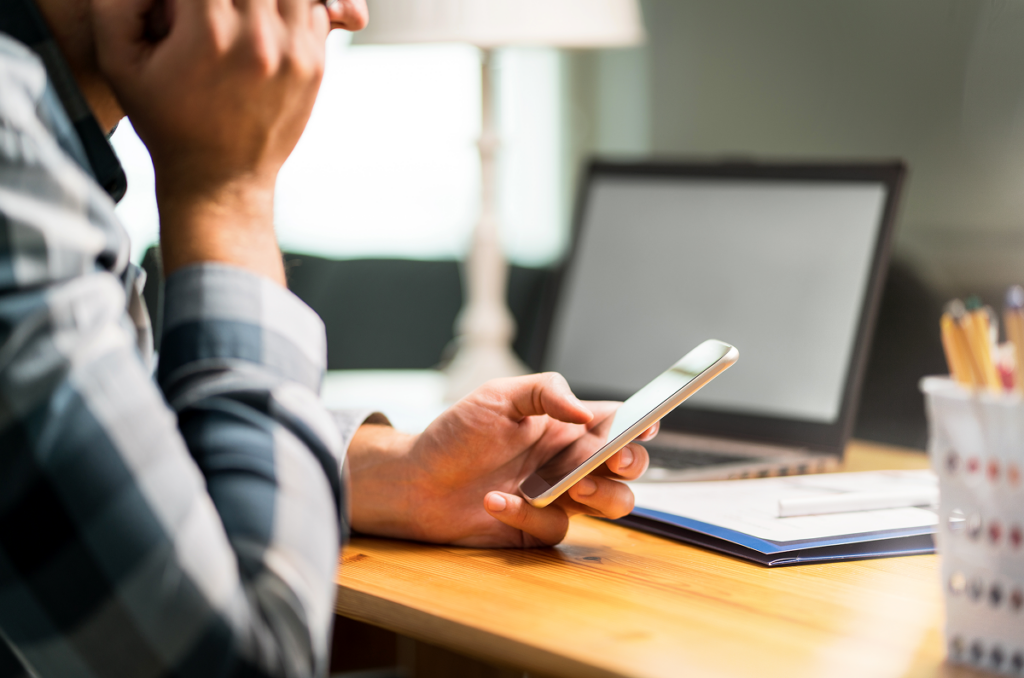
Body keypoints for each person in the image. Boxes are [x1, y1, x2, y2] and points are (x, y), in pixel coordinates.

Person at [0, 0, 653, 675]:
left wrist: (396, 478)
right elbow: (250, 660)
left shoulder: (50, 153)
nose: (350, 13)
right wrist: (226, 193)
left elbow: (112, 436)